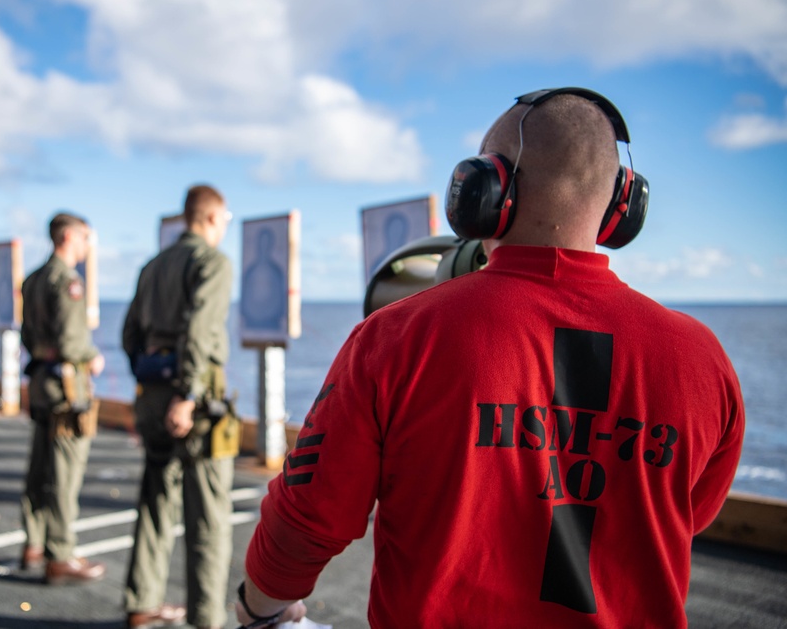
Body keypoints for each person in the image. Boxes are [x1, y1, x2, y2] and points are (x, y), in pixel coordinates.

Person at [237, 89, 746, 628]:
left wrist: (259, 608)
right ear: (621, 203)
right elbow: (687, 517)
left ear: (485, 190)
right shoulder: (705, 362)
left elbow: (308, 516)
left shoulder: (395, 338)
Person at [121, 184, 235, 629]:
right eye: (223, 220)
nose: (224, 228)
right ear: (210, 218)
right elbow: (200, 329)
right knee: (207, 513)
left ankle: (141, 600)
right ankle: (206, 618)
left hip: (152, 395)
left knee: (154, 501)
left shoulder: (152, 266)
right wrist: (187, 393)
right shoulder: (212, 263)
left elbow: (130, 335)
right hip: (194, 404)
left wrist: (152, 382)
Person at [19, 212, 107, 585]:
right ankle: (61, 552)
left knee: (39, 466)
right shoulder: (69, 281)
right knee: (65, 473)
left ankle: (35, 542)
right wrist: (92, 357)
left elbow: (27, 338)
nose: (89, 245)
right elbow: (73, 341)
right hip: (67, 389)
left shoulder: (34, 279)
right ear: (69, 237)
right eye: (86, 237)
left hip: (40, 382)